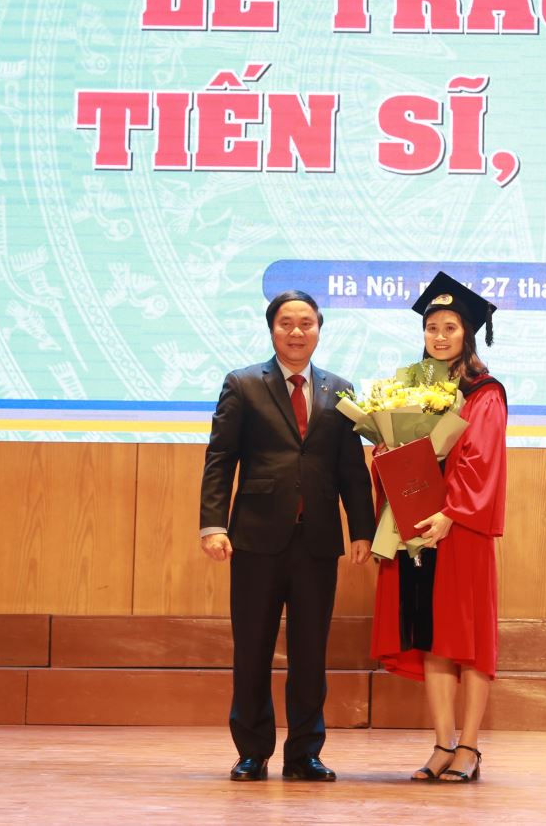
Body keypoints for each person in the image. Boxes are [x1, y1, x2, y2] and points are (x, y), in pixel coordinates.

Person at [199, 289, 376, 782]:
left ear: (319, 329)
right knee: (252, 649)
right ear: (272, 328)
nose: (296, 332)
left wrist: (362, 529)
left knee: (310, 653)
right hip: (255, 539)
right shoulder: (242, 384)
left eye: (306, 323)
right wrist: (213, 524)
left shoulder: (340, 390)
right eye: (286, 323)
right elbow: (220, 460)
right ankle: (252, 751)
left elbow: (351, 469)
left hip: (317, 540)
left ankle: (304, 754)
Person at [370, 272, 507, 783]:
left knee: (466, 637)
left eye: (450, 327)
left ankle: (469, 747)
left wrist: (451, 513)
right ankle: (442, 743)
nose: (440, 336)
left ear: (467, 333)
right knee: (431, 636)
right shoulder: (411, 390)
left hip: (459, 529)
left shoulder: (484, 392)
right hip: (417, 527)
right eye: (432, 327)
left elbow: (481, 459)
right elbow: (399, 452)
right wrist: (386, 453)